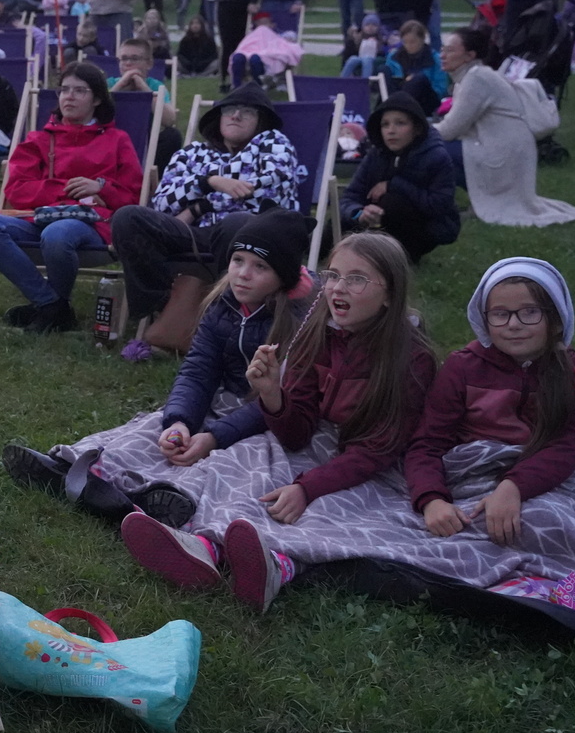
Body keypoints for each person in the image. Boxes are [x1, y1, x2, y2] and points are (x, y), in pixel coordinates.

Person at [122, 231, 437, 612]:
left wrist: (307, 488)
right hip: (316, 444)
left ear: (389, 294)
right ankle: (202, 546)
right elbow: (295, 433)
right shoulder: (318, 333)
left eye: (356, 279)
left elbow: (377, 450)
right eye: (333, 275)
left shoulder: (410, 359)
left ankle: (277, 566)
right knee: (247, 467)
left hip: (368, 465)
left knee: (327, 508)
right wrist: (273, 394)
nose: (338, 288)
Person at [406, 259, 575, 546]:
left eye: (530, 312)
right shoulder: (462, 368)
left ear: (556, 318)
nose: (513, 324)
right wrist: (431, 499)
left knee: (549, 524)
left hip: (539, 475)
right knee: (461, 528)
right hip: (466, 475)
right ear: (484, 320)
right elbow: (427, 443)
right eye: (500, 314)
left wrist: (513, 487)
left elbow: (567, 446)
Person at [0, 62, 143, 333]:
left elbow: (134, 198)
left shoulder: (117, 140)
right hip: (41, 217)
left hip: (95, 225)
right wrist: (69, 189)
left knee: (57, 233)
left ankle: (49, 309)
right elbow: (16, 190)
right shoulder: (39, 139)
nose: (69, 97)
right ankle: (51, 304)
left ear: (97, 99)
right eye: (64, 90)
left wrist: (101, 188)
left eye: (79, 91)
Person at [111, 84, 300, 324]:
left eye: (247, 111)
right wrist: (208, 182)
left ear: (261, 120)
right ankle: (159, 312)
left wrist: (197, 206)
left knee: (237, 221)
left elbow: (265, 194)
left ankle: (228, 318)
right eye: (229, 109)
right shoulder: (193, 153)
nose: (236, 115)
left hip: (247, 234)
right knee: (128, 217)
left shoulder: (274, 143)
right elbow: (162, 204)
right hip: (196, 233)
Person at [153, 210, 316, 465]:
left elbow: (284, 398)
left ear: (283, 276)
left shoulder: (303, 320)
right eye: (238, 260)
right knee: (148, 439)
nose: (243, 274)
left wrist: (215, 438)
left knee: (241, 466)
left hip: (277, 419)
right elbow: (198, 371)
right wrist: (179, 422)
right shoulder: (222, 305)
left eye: (260, 266)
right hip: (226, 403)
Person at [433, 28, 575, 226]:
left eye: (450, 50)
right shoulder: (470, 77)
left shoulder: (477, 79)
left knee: (433, 149)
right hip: (505, 150)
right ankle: (457, 201)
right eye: (442, 49)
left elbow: (450, 130)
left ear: (470, 55)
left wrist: (416, 131)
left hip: (504, 154)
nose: (442, 55)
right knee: (434, 145)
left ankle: (439, 204)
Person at [338, 92, 458, 262]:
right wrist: (359, 213)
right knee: (335, 228)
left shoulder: (436, 157)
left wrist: (394, 185)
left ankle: (401, 257)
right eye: (385, 124)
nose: (391, 131)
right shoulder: (375, 155)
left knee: (391, 201)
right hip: (372, 223)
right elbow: (350, 196)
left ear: (417, 128)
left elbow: (439, 205)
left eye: (400, 123)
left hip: (421, 229)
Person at [107, 38, 180, 166]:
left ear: (149, 63)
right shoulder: (109, 83)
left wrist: (145, 90)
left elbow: (169, 121)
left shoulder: (155, 86)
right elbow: (96, 113)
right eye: (124, 59)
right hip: (112, 139)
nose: (128, 63)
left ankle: (155, 178)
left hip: (145, 141)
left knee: (172, 136)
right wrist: (120, 85)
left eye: (134, 59)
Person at [386, 20, 446, 115]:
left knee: (419, 79)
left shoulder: (435, 59)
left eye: (412, 42)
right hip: (397, 94)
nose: (408, 46)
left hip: (425, 98)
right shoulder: (393, 57)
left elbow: (440, 88)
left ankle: (398, 110)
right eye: (405, 42)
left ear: (422, 39)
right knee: (383, 71)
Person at [227, 12, 302, 88]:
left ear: (271, 24)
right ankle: (237, 86)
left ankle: (257, 87)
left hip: (263, 55)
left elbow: (285, 42)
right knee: (237, 57)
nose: (263, 26)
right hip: (248, 52)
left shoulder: (279, 35)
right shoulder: (252, 34)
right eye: (260, 23)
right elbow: (244, 45)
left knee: (255, 59)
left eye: (265, 22)